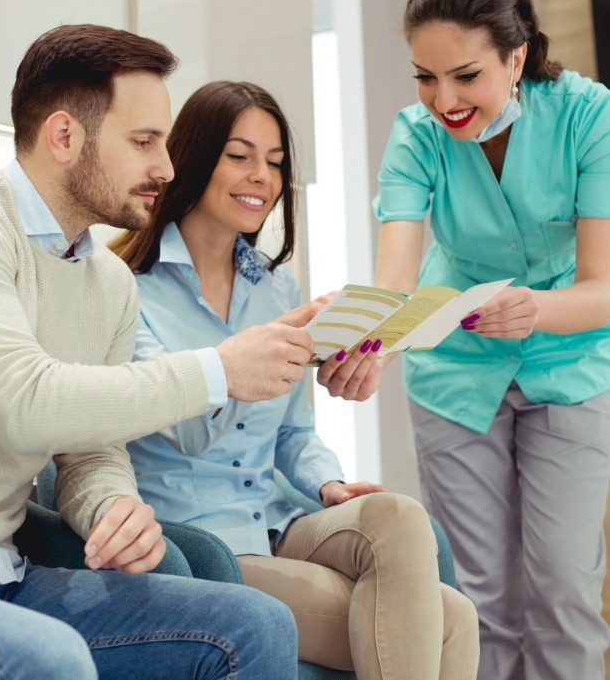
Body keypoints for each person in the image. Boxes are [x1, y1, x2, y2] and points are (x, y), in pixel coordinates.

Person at [0, 24, 319, 680]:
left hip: (2, 568)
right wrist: (217, 369)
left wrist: (110, 506)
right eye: (143, 142)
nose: (166, 166)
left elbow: (89, 448)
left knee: (256, 622)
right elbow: (27, 403)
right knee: (53, 658)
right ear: (66, 136)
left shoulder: (106, 283)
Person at [111, 79, 480, 680]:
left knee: (400, 517)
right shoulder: (126, 287)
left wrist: (327, 483)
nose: (262, 175)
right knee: (452, 622)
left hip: (279, 518)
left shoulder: (275, 286)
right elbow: (186, 432)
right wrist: (258, 349)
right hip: (201, 543)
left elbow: (293, 433)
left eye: (276, 162)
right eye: (240, 156)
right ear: (194, 157)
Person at [372, 0, 610, 680]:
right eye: (425, 76)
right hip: (453, 369)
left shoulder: (586, 114)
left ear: (517, 56)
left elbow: (604, 284)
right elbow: (393, 279)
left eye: (465, 75)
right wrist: (365, 343)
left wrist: (537, 309)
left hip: (570, 359)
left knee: (565, 592)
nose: (443, 100)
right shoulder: (415, 136)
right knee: (479, 600)